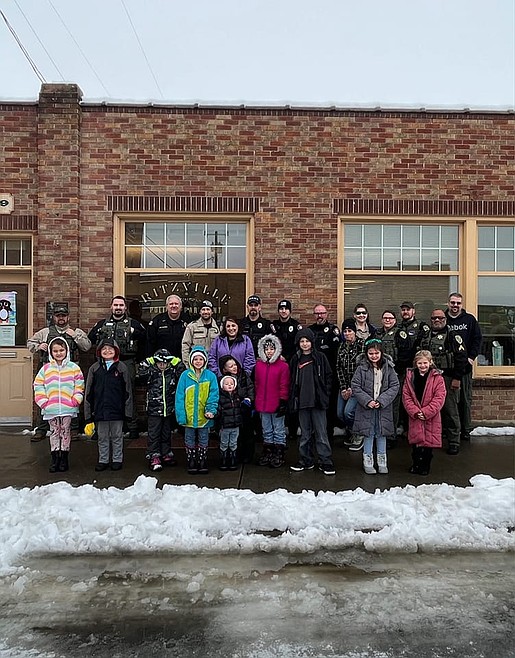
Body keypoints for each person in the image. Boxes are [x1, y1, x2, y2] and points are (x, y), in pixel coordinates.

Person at [27, 305, 91, 441]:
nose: (61, 318)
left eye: (63, 315)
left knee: (72, 399)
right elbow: (30, 343)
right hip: (49, 371)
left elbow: (87, 346)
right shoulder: (45, 332)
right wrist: (38, 346)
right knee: (46, 399)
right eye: (58, 316)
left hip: (70, 372)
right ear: (54, 317)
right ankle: (42, 428)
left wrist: (76, 336)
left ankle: (73, 429)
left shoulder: (76, 331)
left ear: (68, 317)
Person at [88, 295, 146, 439]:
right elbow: (91, 339)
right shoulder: (102, 324)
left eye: (121, 305)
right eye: (116, 305)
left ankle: (132, 426)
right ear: (111, 307)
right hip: (105, 364)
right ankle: (99, 427)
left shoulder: (134, 324)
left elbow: (145, 340)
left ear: (125, 308)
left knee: (128, 394)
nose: (118, 308)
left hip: (126, 362)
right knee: (102, 393)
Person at [417, 309, 468, 455]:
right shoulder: (424, 336)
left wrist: (457, 378)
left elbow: (461, 358)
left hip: (447, 378)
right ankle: (428, 439)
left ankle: (454, 441)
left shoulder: (452, 336)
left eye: (440, 318)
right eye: (434, 318)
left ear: (445, 319)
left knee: (450, 410)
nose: (437, 320)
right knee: (428, 409)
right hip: (427, 377)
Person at [33, 337, 84, 473]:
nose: (59, 353)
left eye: (61, 350)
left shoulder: (74, 368)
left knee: (65, 432)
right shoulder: (46, 369)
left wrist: (76, 400)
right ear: (51, 352)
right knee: (55, 432)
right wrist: (43, 401)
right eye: (55, 351)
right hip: (51, 408)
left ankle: (64, 458)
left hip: (68, 407)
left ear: (66, 351)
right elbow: (38, 385)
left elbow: (79, 385)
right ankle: (55, 458)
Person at [289, 328, 335, 476]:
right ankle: (305, 460)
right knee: (305, 434)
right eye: (302, 341)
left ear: (312, 342)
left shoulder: (320, 357)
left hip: (318, 402)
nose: (304, 344)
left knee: (321, 433)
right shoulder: (296, 359)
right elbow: (291, 380)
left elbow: (329, 376)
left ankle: (325, 461)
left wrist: (325, 394)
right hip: (302, 402)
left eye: (307, 341)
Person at [84, 338, 133, 472]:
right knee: (102, 437)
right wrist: (88, 415)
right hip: (100, 410)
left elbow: (128, 391)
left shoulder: (121, 368)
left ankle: (117, 459)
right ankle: (103, 460)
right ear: (99, 352)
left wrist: (128, 412)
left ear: (116, 351)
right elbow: (88, 392)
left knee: (117, 436)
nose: (107, 351)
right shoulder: (95, 368)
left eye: (110, 349)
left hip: (117, 410)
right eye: (104, 349)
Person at [351, 338, 399, 475]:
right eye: (371, 353)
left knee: (381, 433)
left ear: (382, 353)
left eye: (376, 353)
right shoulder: (361, 368)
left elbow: (394, 386)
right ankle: (368, 460)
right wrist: (367, 401)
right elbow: (355, 386)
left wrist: (382, 400)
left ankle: (382, 460)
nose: (374, 356)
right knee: (369, 433)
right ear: (366, 354)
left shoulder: (389, 368)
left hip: (383, 408)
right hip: (366, 408)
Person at [138, 348, 186, 472]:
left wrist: (175, 360)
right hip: (154, 410)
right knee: (154, 434)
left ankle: (166, 453)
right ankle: (154, 456)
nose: (162, 365)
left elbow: (183, 372)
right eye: (159, 363)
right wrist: (151, 360)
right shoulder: (152, 372)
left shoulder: (172, 372)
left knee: (166, 433)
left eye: (165, 363)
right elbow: (140, 371)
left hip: (168, 409)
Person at [175, 346, 219, 475]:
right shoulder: (185, 376)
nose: (198, 361)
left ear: (205, 360)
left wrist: (211, 410)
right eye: (195, 359)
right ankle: (191, 460)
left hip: (204, 416)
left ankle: (202, 460)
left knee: (204, 438)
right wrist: (181, 415)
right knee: (189, 438)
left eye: (201, 359)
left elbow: (214, 395)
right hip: (189, 416)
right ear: (191, 360)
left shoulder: (210, 376)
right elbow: (179, 397)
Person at [445, 293, 482, 442]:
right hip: (447, 368)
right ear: (448, 303)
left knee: (465, 399)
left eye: (458, 303)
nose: (455, 305)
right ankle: (448, 429)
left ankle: (465, 429)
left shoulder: (469, 320)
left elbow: (477, 339)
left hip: (465, 367)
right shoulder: (442, 319)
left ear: (461, 304)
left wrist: (471, 357)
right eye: (453, 302)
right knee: (448, 401)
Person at [402, 350, 446, 476]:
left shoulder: (438, 378)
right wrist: (415, 412)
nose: (423, 366)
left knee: (428, 444)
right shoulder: (410, 377)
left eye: (425, 363)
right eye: (420, 363)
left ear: (430, 362)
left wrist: (426, 412)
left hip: (431, 416)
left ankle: (425, 466)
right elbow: (406, 397)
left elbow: (439, 398)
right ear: (416, 363)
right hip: (415, 415)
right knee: (416, 444)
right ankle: (416, 464)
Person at [375, 309, 411, 448]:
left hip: (395, 375)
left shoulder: (400, 334)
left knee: (393, 406)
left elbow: (406, 355)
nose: (387, 320)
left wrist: (393, 370)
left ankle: (391, 436)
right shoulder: (376, 334)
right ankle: (379, 433)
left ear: (395, 320)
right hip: (378, 374)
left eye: (390, 318)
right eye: (385, 318)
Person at [254, 334, 290, 468]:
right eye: (266, 349)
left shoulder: (283, 366)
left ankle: (279, 451)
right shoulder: (259, 365)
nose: (269, 352)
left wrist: (283, 401)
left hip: (276, 403)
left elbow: (284, 385)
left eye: (272, 349)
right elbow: (257, 383)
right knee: (266, 429)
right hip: (262, 403)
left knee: (278, 429)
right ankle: (268, 450)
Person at [270, 299, 302, 441]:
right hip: (276, 364)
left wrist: (288, 358)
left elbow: (299, 346)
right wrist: (278, 356)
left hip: (292, 365)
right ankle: (279, 429)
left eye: (286, 309)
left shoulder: (296, 326)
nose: (283, 311)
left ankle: (293, 430)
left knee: (292, 396)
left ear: (290, 311)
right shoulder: (273, 326)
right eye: (281, 309)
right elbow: (270, 343)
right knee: (279, 396)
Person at [309, 303, 341, 442]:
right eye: (317, 313)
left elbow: (335, 352)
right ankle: (314, 433)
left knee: (329, 404)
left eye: (322, 313)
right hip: (312, 375)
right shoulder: (309, 331)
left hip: (329, 375)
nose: (319, 316)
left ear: (326, 314)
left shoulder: (333, 331)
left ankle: (329, 433)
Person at [397, 301, 430, 435]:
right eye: (403, 310)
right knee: (403, 398)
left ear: (413, 311)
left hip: (417, 369)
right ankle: (403, 426)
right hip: (401, 369)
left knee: (416, 398)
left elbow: (425, 349)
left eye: (408, 309)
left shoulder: (421, 327)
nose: (405, 312)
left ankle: (415, 429)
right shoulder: (397, 327)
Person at [218, 355, 255, 464]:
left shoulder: (244, 375)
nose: (234, 367)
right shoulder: (223, 380)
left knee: (247, 433)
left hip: (245, 406)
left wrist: (250, 399)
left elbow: (250, 387)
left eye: (235, 364)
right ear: (224, 369)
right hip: (232, 409)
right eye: (230, 366)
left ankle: (248, 455)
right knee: (235, 435)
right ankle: (234, 455)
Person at [336, 318, 365, 450]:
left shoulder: (361, 345)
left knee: (349, 412)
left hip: (357, 387)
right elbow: (339, 367)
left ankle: (359, 434)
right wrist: (343, 388)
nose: (347, 334)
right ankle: (352, 432)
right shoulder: (341, 346)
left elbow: (362, 368)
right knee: (340, 413)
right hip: (344, 386)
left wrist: (353, 388)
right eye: (345, 331)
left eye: (350, 331)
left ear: (355, 331)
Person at [146, 294, 187, 359]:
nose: (174, 306)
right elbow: (150, 343)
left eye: (176, 304)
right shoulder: (157, 321)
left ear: (181, 306)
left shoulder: (187, 320)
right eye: (171, 304)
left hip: (182, 360)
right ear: (166, 306)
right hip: (162, 361)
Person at [181, 300, 220, 366]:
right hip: (196, 364)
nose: (206, 312)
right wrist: (188, 364)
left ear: (212, 312)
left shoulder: (218, 327)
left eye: (208, 309)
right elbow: (185, 346)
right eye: (203, 310)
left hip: (212, 365)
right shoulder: (192, 327)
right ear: (200, 312)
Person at [217, 375, 241, 471]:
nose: (229, 385)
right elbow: (218, 411)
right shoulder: (220, 398)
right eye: (227, 384)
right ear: (222, 386)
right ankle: (223, 458)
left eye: (231, 383)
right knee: (224, 443)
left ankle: (232, 458)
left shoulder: (237, 397)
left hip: (235, 425)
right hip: (225, 426)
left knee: (233, 442)